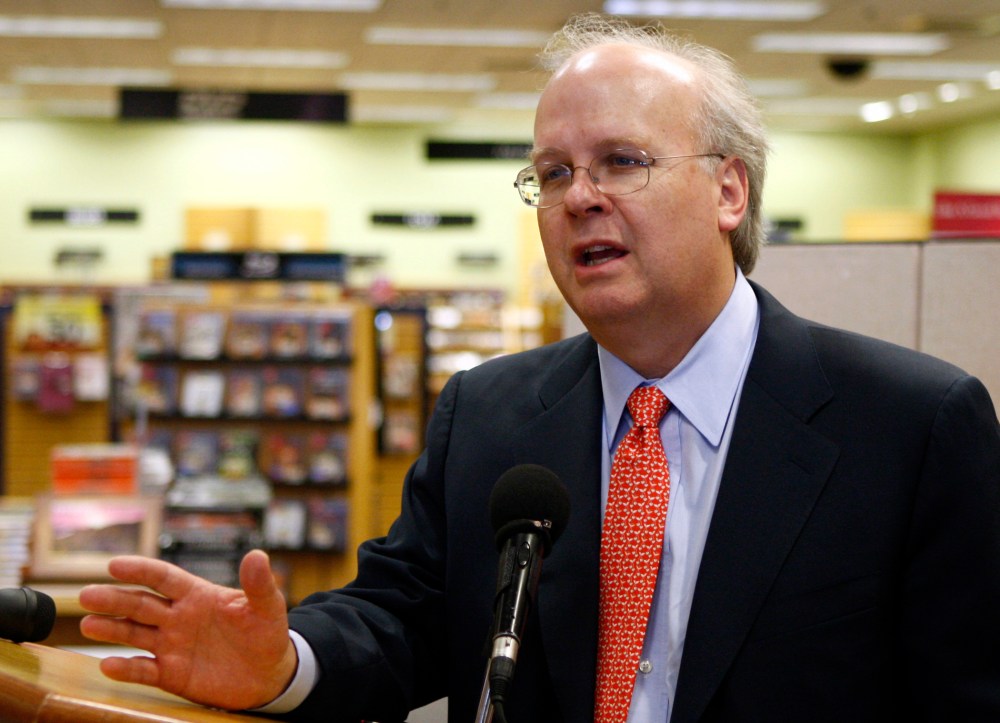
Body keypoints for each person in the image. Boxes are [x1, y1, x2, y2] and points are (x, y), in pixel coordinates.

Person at [79, 13, 1000, 722]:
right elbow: (403, 614)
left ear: (730, 189)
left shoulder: (911, 427)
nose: (580, 197)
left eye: (622, 162)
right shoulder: (489, 413)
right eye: (553, 173)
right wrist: (286, 662)